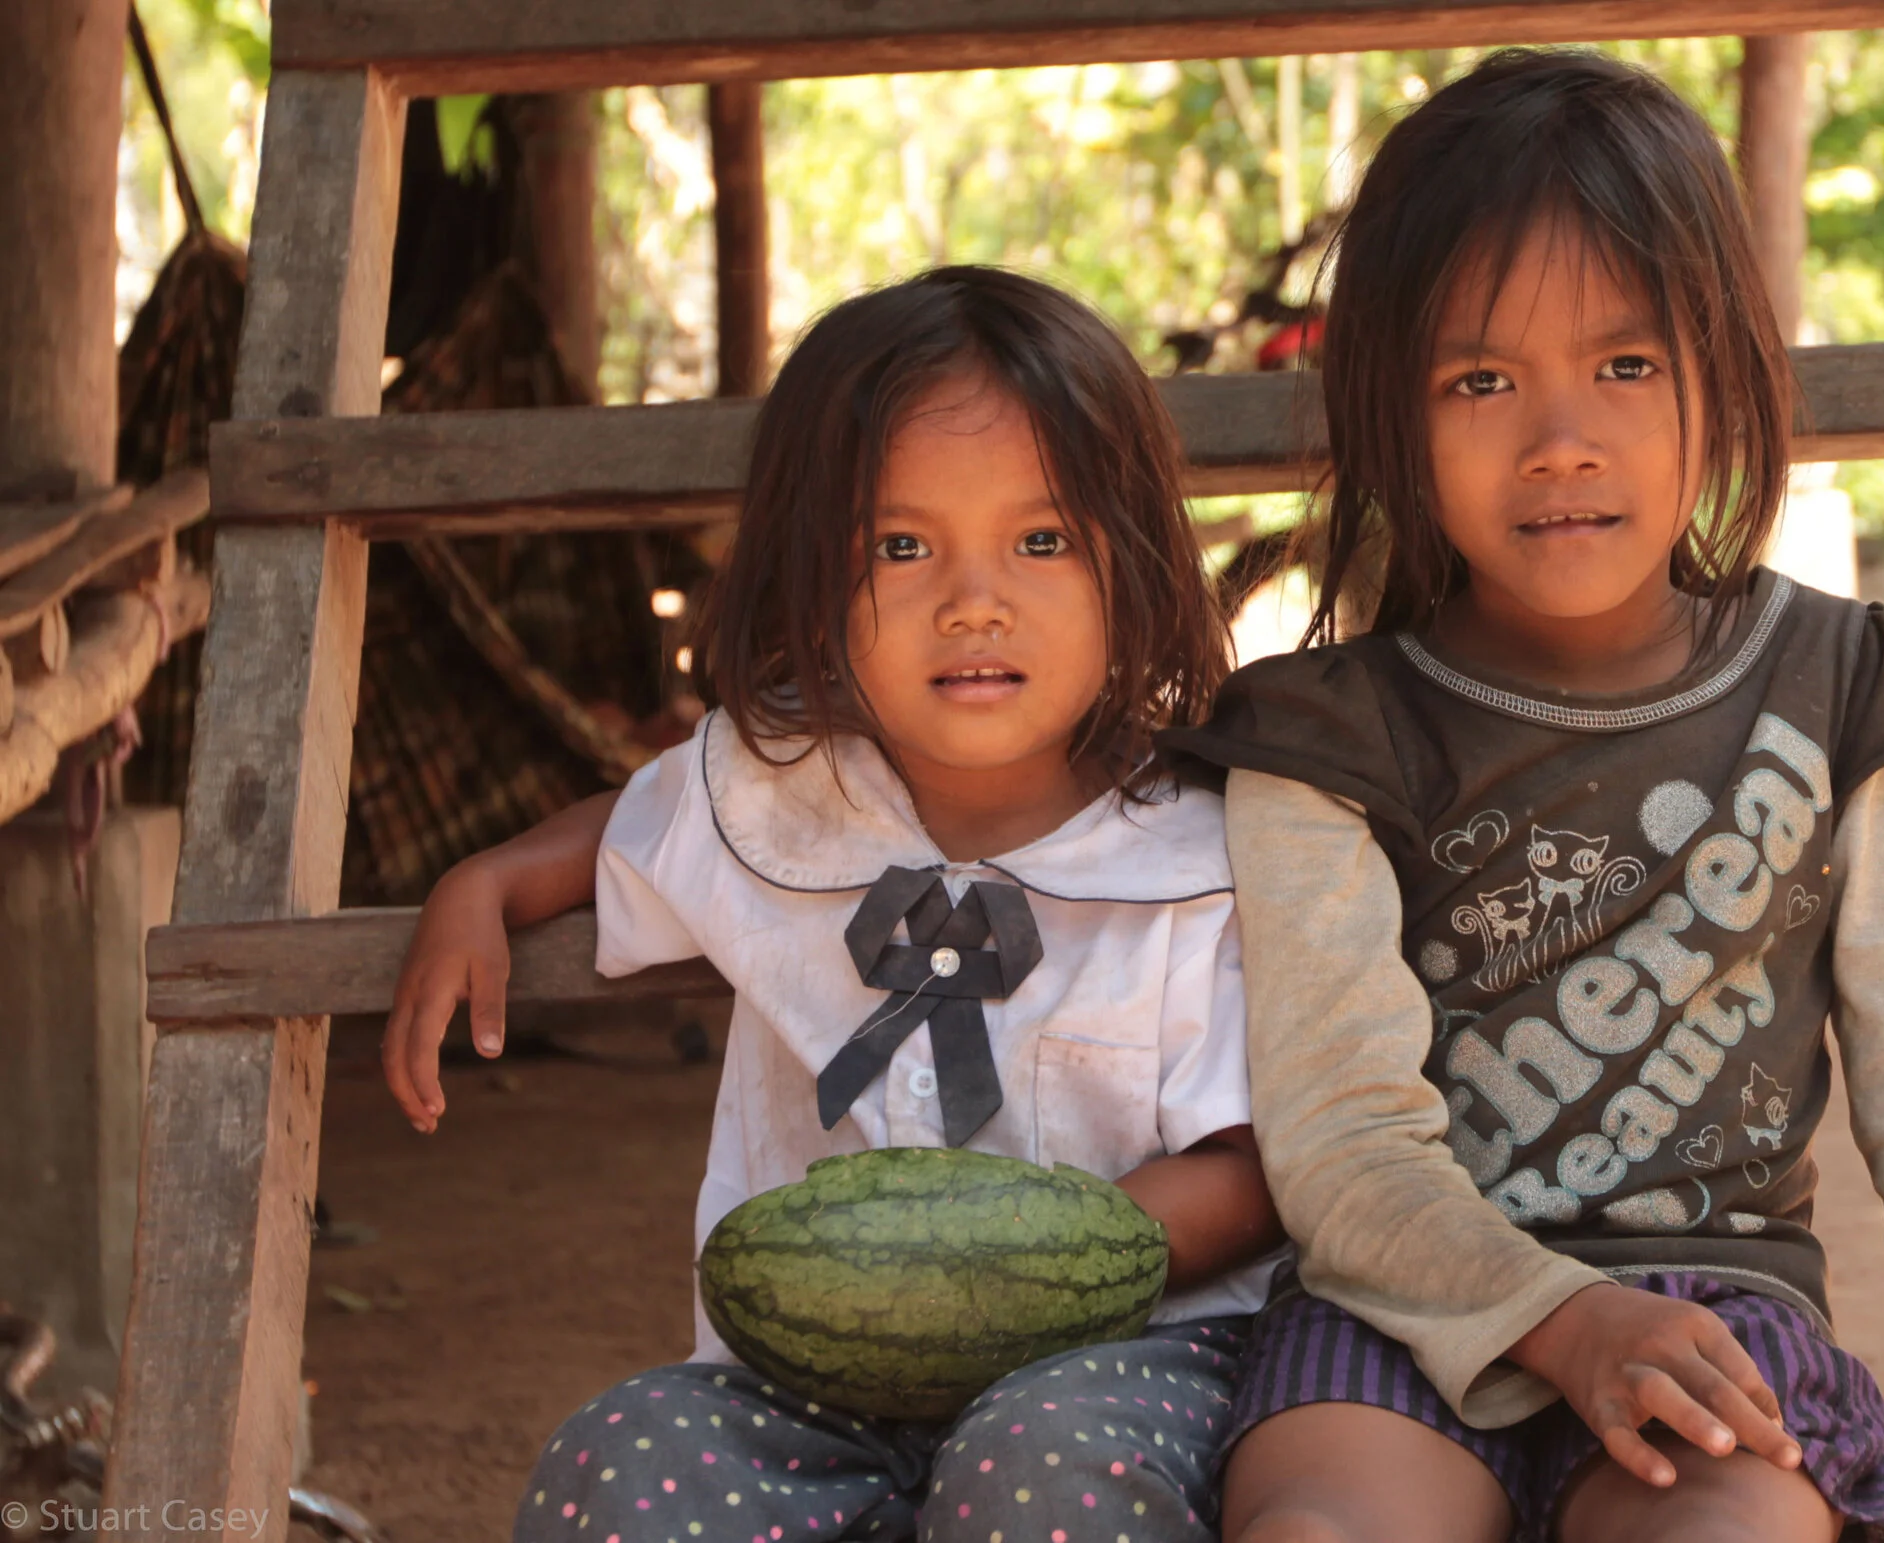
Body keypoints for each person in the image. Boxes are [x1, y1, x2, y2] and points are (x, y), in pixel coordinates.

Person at [1162, 50, 1884, 1543]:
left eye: (1626, 365)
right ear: (1395, 410)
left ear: (1723, 378)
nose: (1560, 436)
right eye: (1481, 378)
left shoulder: (1836, 682)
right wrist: (1554, 1317)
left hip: (1717, 1308)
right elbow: (1341, 1141)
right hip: (1399, 1313)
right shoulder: (1329, 734)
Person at [380, 267, 1284, 1543]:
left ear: (1129, 564)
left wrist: (1025, 1268)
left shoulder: (1201, 859)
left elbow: (1251, 1171)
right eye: (900, 547)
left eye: (1042, 540)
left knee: (1035, 1479)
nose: (973, 598)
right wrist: (487, 882)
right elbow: (634, 826)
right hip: (801, 1385)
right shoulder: (776, 795)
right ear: (811, 578)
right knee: (622, 1464)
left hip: (1123, 1370)